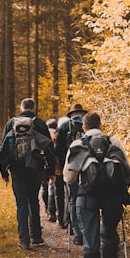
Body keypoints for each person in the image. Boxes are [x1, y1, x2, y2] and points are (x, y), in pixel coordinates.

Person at [64, 111, 130, 258]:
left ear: (83, 127)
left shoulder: (78, 144)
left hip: (87, 198)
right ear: (101, 125)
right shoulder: (114, 142)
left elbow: (69, 177)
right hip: (112, 198)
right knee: (110, 235)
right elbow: (127, 170)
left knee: (90, 241)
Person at [0, 98, 56, 250]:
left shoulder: (11, 123)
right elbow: (49, 148)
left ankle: (24, 239)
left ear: (21, 107)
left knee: (21, 204)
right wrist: (51, 171)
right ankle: (36, 235)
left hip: (17, 169)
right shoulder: (39, 123)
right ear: (34, 108)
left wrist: (3, 171)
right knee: (33, 201)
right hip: (35, 168)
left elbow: (3, 149)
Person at [55, 103, 88, 244]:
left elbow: (57, 149)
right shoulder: (87, 125)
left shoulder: (64, 127)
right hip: (87, 168)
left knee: (73, 199)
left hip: (70, 167)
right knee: (85, 198)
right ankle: (86, 229)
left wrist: (61, 168)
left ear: (71, 114)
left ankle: (77, 233)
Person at [45, 118, 59, 222]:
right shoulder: (57, 134)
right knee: (55, 189)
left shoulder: (44, 134)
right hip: (55, 164)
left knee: (47, 189)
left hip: (45, 164)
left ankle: (49, 211)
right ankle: (55, 212)